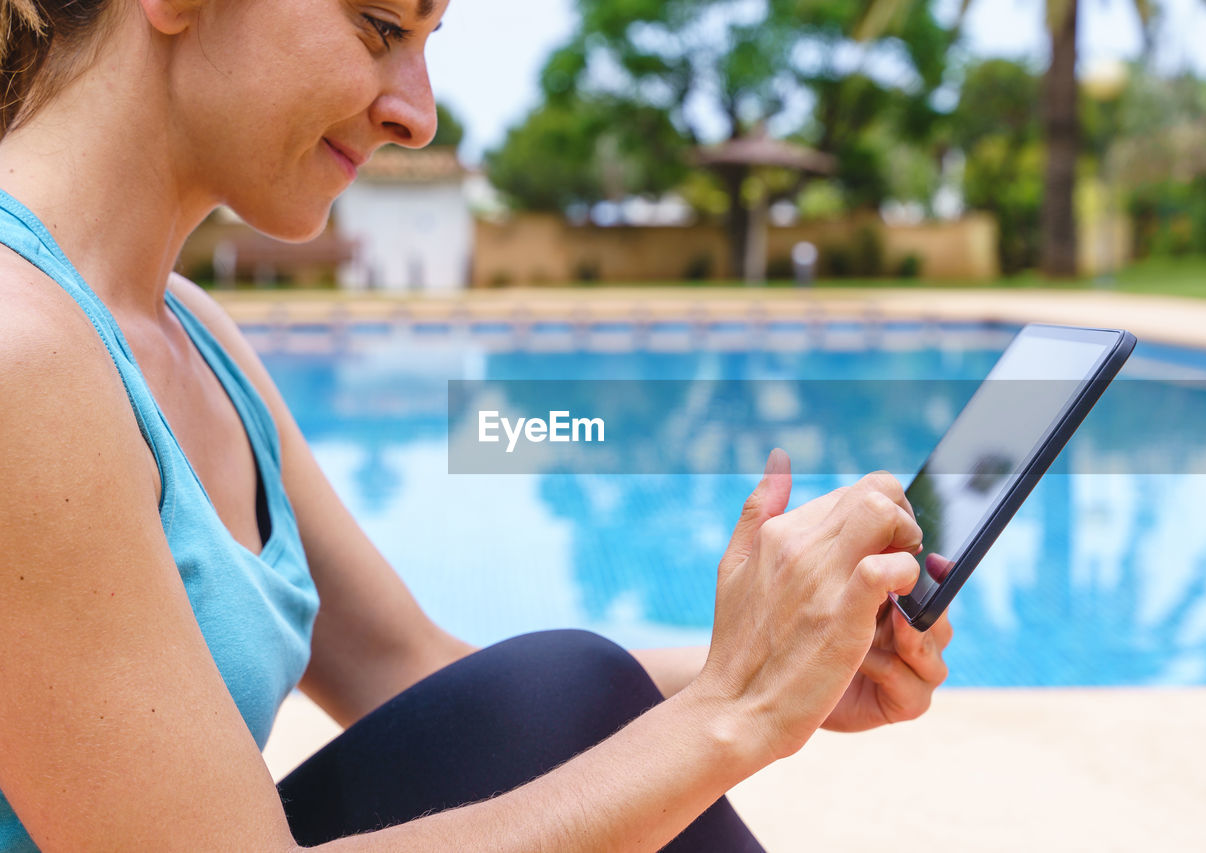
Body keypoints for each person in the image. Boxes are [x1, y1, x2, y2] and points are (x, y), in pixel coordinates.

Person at [0, 0, 953, 850]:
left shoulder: (196, 336)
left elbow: (416, 676)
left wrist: (777, 662)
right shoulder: (20, 358)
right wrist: (732, 711)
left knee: (559, 687)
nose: (417, 114)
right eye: (380, 28)